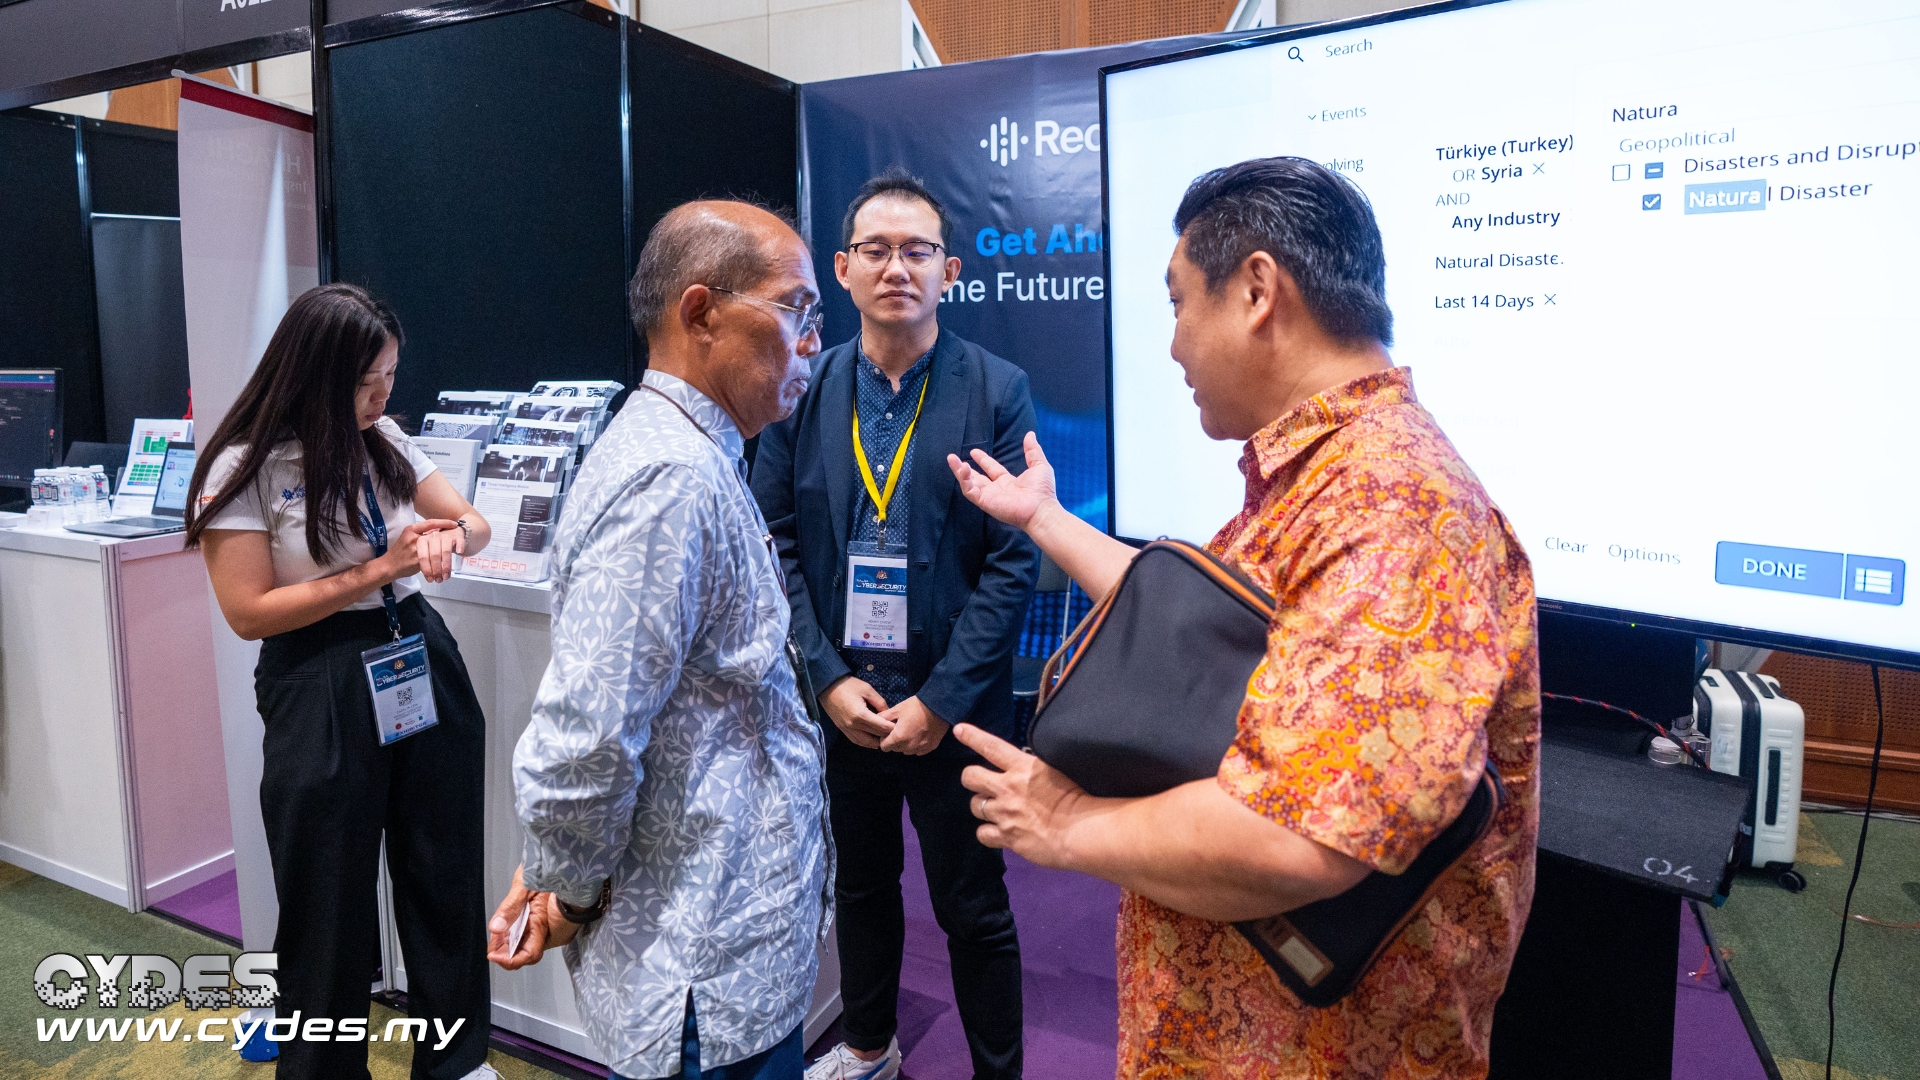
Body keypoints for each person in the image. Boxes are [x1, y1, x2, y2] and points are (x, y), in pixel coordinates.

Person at [946, 157, 1542, 1078]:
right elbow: (1194, 627)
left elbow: (1298, 835)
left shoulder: (1391, 509)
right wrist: (1047, 521)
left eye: (1179, 303)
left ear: (1258, 291)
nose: (1173, 345)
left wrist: (1064, 824)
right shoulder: (1331, 475)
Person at [488, 199, 831, 1080]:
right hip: (702, 964)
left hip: (726, 942)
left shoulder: (694, 453)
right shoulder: (669, 479)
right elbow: (587, 738)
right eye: (795, 310)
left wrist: (560, 868)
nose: (811, 344)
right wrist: (567, 887)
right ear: (701, 312)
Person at [753, 169, 1039, 1080]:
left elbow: (1013, 563)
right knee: (864, 886)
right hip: (845, 704)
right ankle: (869, 1047)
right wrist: (826, 678)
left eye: (917, 251)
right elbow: (774, 542)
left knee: (973, 906)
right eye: (874, 250)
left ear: (949, 271)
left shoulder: (996, 389)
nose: (896, 267)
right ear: (841, 270)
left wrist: (942, 701)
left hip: (955, 707)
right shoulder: (804, 387)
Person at [186, 283, 498, 1080]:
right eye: (365, 383)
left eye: (390, 376)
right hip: (318, 672)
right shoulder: (243, 464)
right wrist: (379, 569)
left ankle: (455, 1062)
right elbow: (248, 613)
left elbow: (474, 521)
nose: (381, 397)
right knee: (326, 895)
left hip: (416, 651)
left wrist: (450, 538)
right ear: (314, 374)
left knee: (443, 871)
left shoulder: (385, 437)